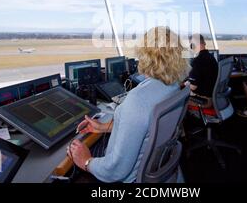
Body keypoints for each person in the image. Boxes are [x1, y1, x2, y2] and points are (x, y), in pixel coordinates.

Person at [67, 26, 188, 183]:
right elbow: (148, 128)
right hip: (159, 168)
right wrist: (103, 127)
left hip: (127, 178)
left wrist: (86, 161)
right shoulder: (172, 86)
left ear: (145, 56)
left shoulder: (138, 101)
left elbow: (116, 170)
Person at [185, 34, 218, 109]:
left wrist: (185, 83)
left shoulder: (198, 60)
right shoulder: (211, 57)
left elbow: (193, 87)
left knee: (176, 99)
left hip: (204, 100)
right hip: (212, 97)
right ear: (204, 43)